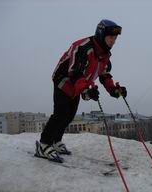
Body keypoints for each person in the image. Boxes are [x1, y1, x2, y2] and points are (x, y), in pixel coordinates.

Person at [35, 19, 127, 163]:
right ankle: (44, 144)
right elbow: (75, 72)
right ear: (101, 35)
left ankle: (56, 141)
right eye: (111, 37)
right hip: (64, 80)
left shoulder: (105, 55)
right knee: (61, 113)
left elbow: (104, 75)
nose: (113, 41)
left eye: (115, 38)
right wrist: (86, 91)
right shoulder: (83, 47)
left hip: (80, 84)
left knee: (70, 115)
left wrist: (114, 90)